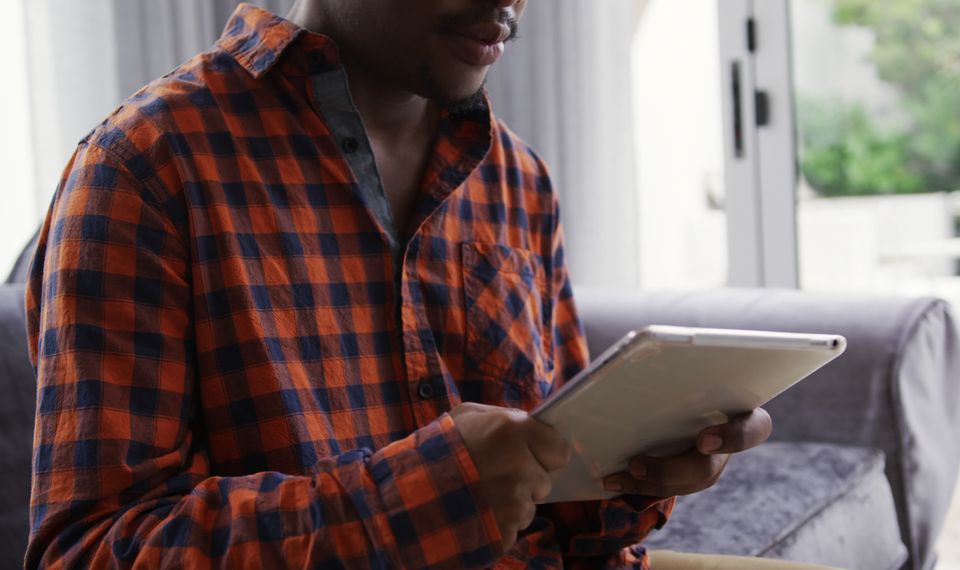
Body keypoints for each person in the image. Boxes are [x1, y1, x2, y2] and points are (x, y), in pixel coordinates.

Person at [23, 1, 799, 568]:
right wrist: (418, 503)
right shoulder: (145, 169)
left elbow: (567, 508)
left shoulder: (516, 180)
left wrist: (642, 463)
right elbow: (88, 550)